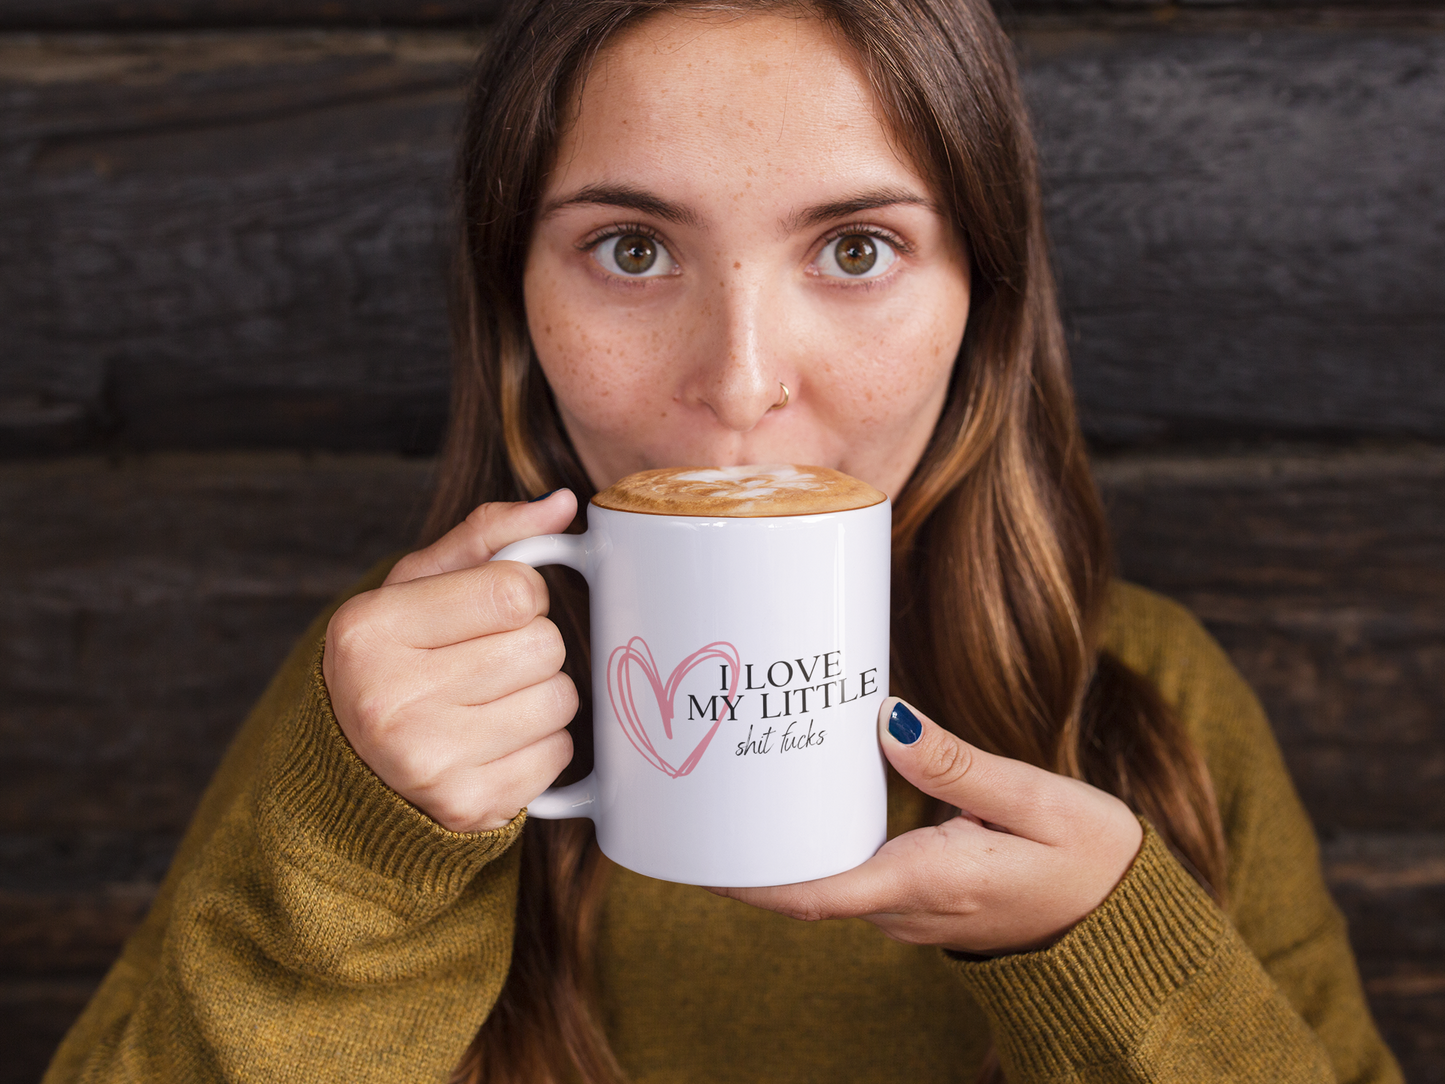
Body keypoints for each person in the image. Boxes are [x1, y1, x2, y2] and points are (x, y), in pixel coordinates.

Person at [46, 1, 1401, 1081]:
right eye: (632, 249)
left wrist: (1114, 960)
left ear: (979, 304)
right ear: (515, 301)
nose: (742, 382)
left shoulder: (1150, 706)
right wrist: (363, 852)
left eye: (858, 251)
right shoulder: (389, 717)